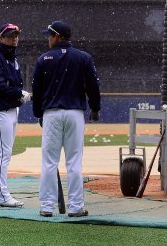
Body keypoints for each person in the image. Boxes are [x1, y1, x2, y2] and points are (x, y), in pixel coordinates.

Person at [32, 21, 101, 218]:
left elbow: (37, 92)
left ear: (58, 36)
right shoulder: (84, 57)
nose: (48, 39)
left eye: (50, 35)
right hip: (75, 113)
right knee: (74, 163)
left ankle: (46, 206)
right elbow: (93, 87)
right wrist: (95, 108)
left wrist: (39, 114)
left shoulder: (43, 59)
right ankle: (76, 206)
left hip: (51, 113)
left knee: (49, 162)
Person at [0, 23, 31, 207]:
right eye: (10, 35)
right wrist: (18, 93)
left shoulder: (12, 59)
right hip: (0, 111)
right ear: (0, 38)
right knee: (3, 155)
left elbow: (10, 84)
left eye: (16, 35)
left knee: (0, 155)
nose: (14, 38)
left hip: (10, 109)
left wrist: (19, 93)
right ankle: (2, 196)